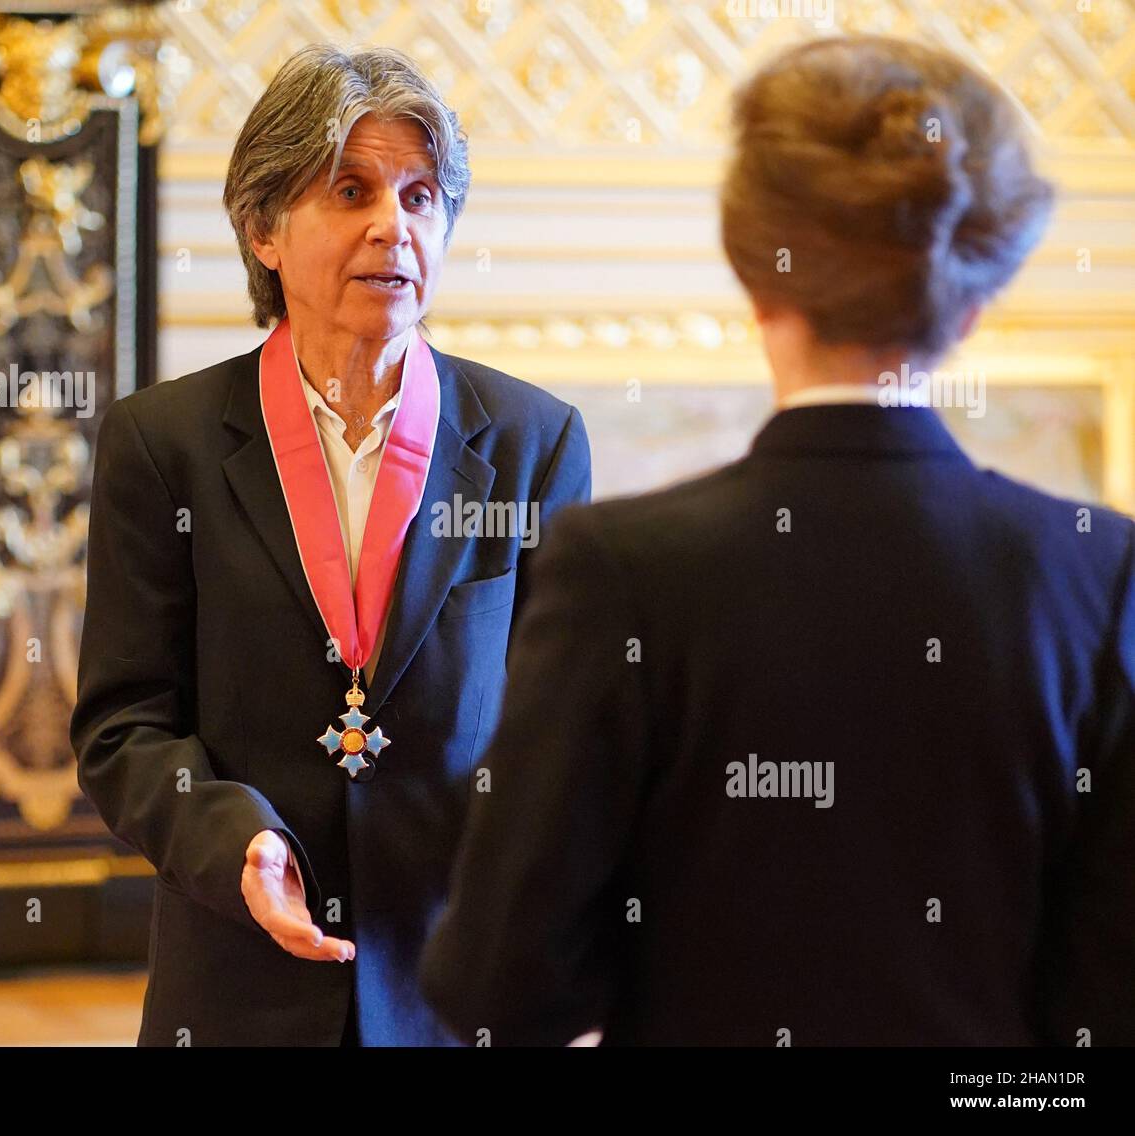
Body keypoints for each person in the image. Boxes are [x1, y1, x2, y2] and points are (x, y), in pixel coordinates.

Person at [420, 34, 1135, 1046]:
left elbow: (498, 980)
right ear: (971, 306)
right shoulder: (1100, 571)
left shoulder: (620, 569)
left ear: (756, 280)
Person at [70, 44, 590, 1046]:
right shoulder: (161, 444)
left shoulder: (533, 441)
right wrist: (236, 843)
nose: (393, 226)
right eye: (350, 190)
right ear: (263, 227)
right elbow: (124, 725)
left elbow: (562, 722)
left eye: (421, 195)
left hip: (457, 982)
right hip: (239, 981)